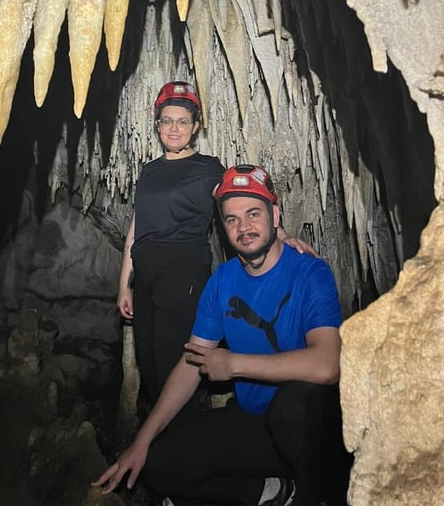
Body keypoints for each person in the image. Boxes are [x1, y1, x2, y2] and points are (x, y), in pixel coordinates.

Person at [96, 164, 352, 506]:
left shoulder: (310, 271)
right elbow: (191, 364)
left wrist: (234, 364)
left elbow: (328, 364)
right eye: (232, 219)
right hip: (255, 425)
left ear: (275, 216)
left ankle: (322, 495)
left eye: (253, 214)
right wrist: (141, 441)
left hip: (310, 431)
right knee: (158, 465)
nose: (243, 227)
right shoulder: (222, 281)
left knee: (291, 406)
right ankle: (274, 493)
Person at [118, 83, 312, 408]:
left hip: (181, 272)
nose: (174, 128)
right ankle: (164, 432)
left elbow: (239, 201)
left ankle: (184, 431)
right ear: (157, 124)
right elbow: (137, 229)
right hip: (146, 278)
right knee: (149, 364)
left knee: (172, 363)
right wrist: (125, 285)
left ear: (195, 126)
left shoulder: (207, 169)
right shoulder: (149, 172)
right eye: (167, 121)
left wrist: (280, 235)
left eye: (183, 121)